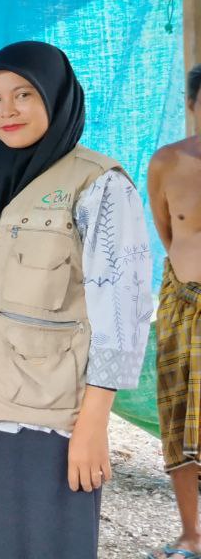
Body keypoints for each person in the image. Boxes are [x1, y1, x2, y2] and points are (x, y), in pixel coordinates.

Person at [0, 40, 152, 558]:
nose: (7, 110)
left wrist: (93, 424)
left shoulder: (99, 185)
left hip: (46, 418)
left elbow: (124, 314)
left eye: (24, 94)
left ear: (56, 97)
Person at [146, 64, 201, 559]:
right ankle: (191, 534)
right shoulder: (166, 162)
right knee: (178, 421)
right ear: (192, 105)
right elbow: (166, 231)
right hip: (181, 303)